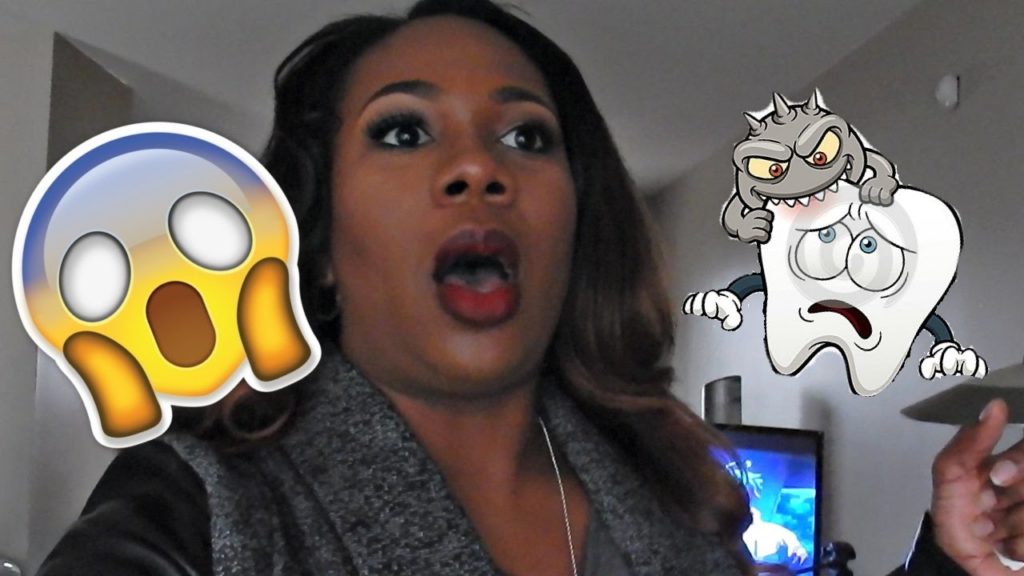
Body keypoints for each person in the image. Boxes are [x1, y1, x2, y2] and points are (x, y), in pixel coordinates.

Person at [36, 1, 1024, 575]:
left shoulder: (680, 500)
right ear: (323, 245)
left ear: (571, 230)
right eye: (403, 131)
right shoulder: (199, 509)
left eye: (525, 136)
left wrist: (946, 556)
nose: (477, 167)